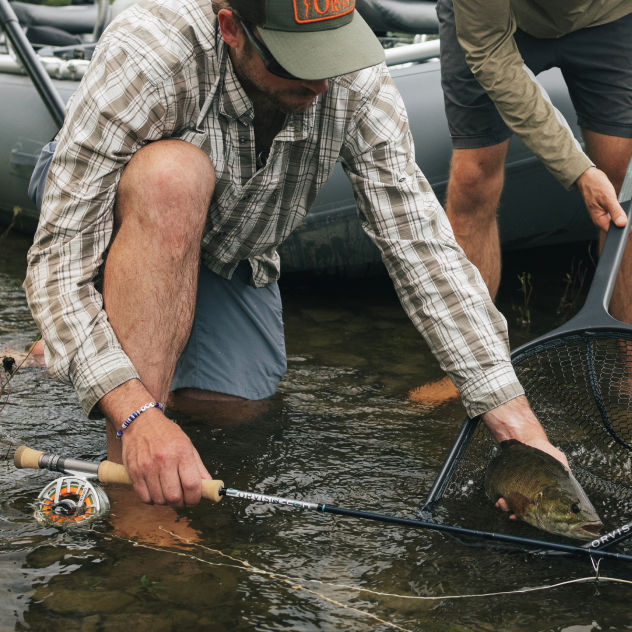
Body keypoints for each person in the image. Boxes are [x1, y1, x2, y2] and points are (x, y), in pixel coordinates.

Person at [24, 0, 566, 509]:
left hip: (233, 244)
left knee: (234, 414)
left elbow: (419, 243)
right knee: (172, 177)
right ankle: (136, 505)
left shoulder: (352, 75)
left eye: (330, 55)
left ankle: (97, 347)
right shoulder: (151, 53)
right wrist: (138, 415)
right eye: (296, 59)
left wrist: (510, 413)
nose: (321, 79)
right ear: (232, 29)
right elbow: (57, 263)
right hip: (115, 207)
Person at [437, 0, 632, 321]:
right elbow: (488, 51)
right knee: (473, 178)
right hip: (495, 24)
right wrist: (578, 170)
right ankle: (467, 365)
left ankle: (624, 364)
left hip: (608, 14)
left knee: (624, 182)